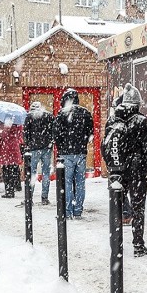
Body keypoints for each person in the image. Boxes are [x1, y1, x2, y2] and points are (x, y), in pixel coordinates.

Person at [104, 84, 147, 257]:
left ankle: (116, 243)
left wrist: (113, 166)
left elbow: (106, 146)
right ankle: (138, 244)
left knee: (117, 206)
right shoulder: (141, 121)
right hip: (137, 170)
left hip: (118, 169)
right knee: (138, 207)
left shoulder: (112, 120)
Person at [53, 88, 94, 219]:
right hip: (80, 152)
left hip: (66, 153)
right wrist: (83, 143)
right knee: (80, 182)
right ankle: (78, 210)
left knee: (67, 183)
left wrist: (61, 147)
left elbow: (56, 134)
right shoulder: (85, 113)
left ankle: (68, 210)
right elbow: (90, 132)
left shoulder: (61, 114)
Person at [23, 101, 55, 205]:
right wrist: (50, 142)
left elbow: (26, 132)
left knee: (32, 173)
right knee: (46, 173)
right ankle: (44, 197)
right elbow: (53, 130)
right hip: (46, 148)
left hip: (34, 149)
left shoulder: (29, 117)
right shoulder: (48, 116)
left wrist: (27, 144)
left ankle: (29, 197)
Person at [0, 118, 24, 198]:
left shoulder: (0, 130)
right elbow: (21, 138)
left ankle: (9, 191)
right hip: (15, 152)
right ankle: (17, 185)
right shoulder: (17, 127)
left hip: (5, 153)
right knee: (14, 169)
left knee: (6, 173)